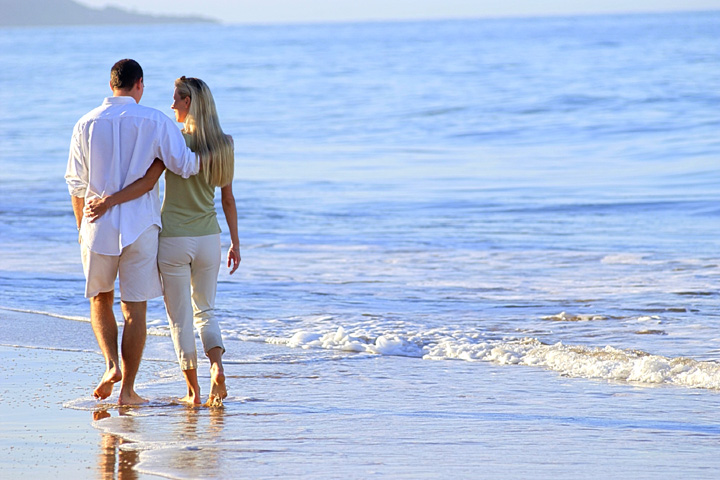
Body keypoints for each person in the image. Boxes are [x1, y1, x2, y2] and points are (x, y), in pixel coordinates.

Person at [84, 76, 240, 406]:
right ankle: (218, 367)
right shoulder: (225, 144)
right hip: (210, 237)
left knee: (180, 320)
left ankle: (194, 392)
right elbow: (228, 199)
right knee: (207, 311)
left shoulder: (173, 140)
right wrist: (235, 243)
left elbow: (146, 183)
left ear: (188, 102)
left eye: (176, 99)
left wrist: (109, 201)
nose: (171, 105)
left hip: (172, 239)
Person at [65, 59, 202, 405]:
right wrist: (209, 149)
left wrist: (81, 226)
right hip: (140, 227)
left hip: (96, 225)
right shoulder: (155, 120)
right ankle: (128, 391)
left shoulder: (85, 123)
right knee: (134, 309)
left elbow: (75, 183)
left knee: (100, 298)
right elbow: (185, 166)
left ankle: (112, 365)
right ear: (139, 84)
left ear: (111, 84)